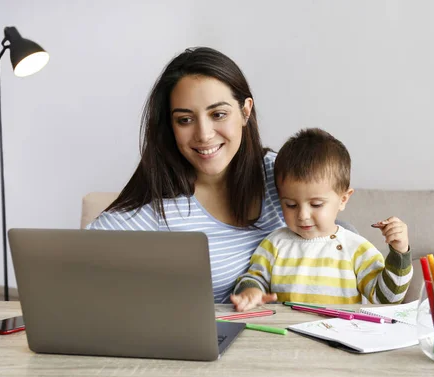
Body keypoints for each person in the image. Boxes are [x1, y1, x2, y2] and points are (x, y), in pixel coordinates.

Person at [87, 47, 287, 303]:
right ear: (170, 127)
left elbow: (335, 232)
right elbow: (76, 262)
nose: (203, 134)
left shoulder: (278, 174)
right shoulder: (158, 208)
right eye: (185, 120)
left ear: (245, 111)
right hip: (216, 340)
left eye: (218, 114)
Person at [230, 128, 413, 311]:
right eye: (290, 205)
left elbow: (387, 299)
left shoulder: (356, 249)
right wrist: (250, 291)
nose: (302, 215)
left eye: (316, 204)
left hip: (339, 335)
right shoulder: (274, 244)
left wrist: (399, 252)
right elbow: (253, 278)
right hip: (286, 334)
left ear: (343, 199)